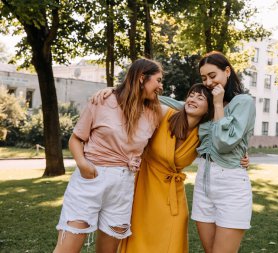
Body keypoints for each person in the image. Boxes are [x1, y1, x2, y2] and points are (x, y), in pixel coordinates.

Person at [53, 58, 164, 253]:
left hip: (123, 185)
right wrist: (82, 163)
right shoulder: (102, 101)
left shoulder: (154, 113)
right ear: (141, 78)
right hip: (91, 179)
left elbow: (185, 107)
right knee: (67, 249)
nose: (161, 87)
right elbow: (76, 139)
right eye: (158, 80)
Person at [160, 51, 255, 253]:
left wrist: (219, 104)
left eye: (213, 76)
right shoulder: (207, 105)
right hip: (203, 183)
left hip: (231, 186)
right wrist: (119, 91)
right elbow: (177, 105)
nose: (209, 82)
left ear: (227, 71)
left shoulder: (243, 102)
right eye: (204, 78)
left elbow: (224, 144)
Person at [118, 83, 214, 253]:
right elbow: (136, 97)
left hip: (173, 198)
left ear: (208, 109)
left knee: (172, 242)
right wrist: (107, 93)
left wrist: (242, 156)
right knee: (140, 241)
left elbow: (224, 146)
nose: (193, 99)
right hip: (145, 190)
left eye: (200, 98)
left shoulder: (204, 134)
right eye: (191, 95)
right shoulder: (164, 114)